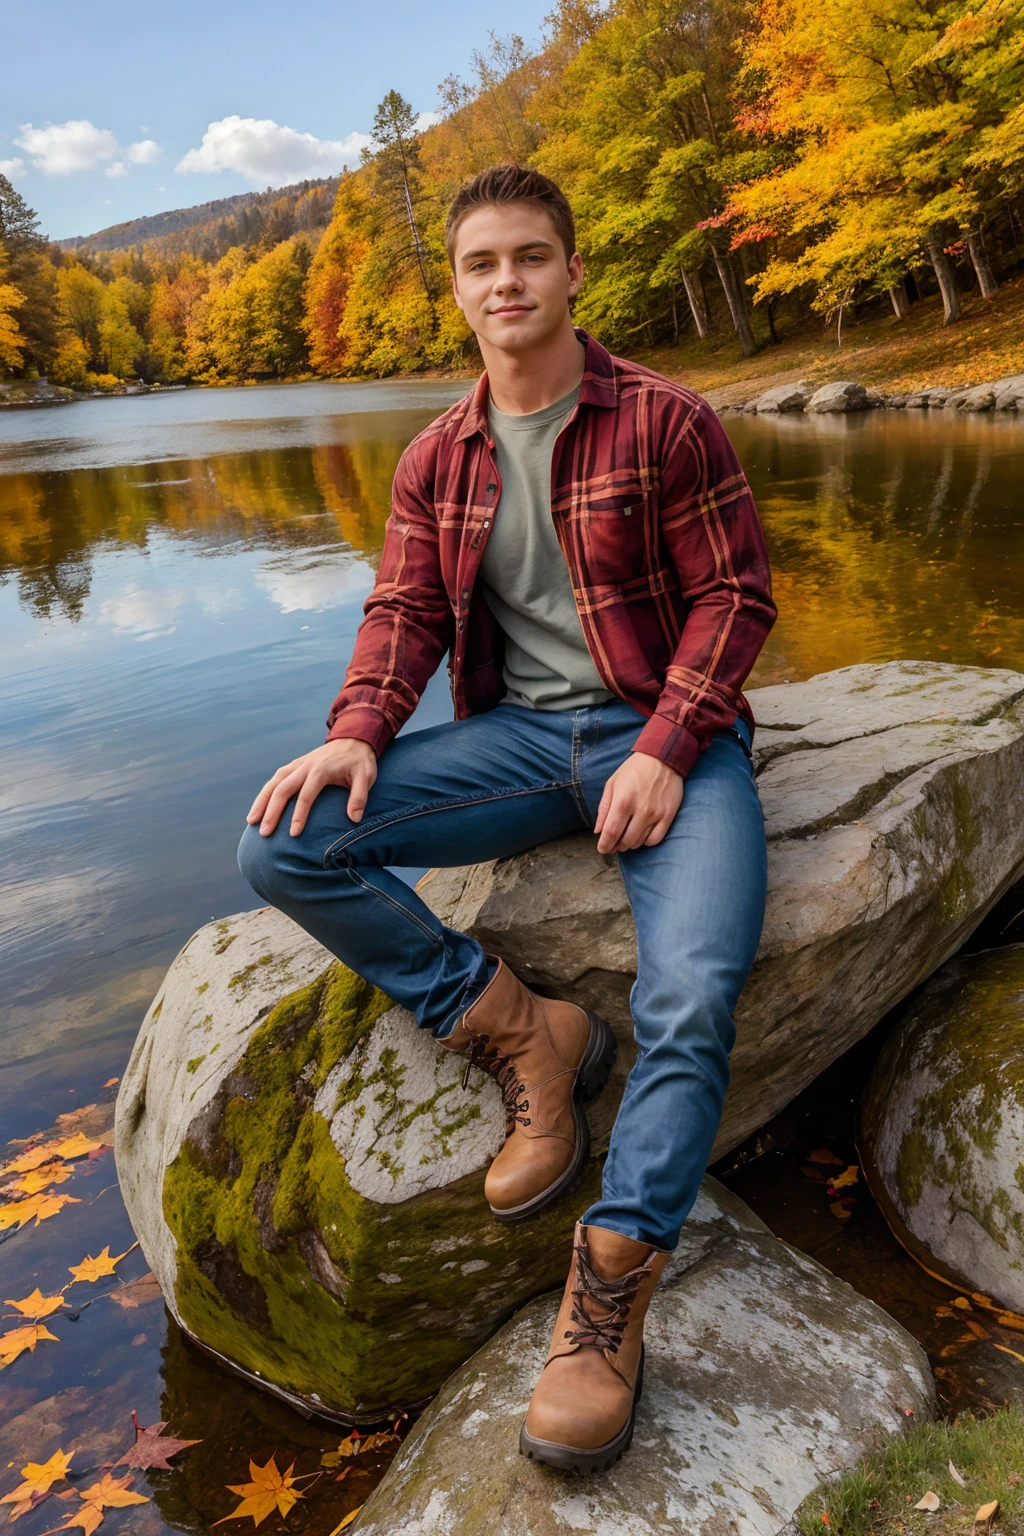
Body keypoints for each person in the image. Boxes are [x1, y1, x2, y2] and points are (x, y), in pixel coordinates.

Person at [237, 163, 775, 1475]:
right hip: (523, 748)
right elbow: (408, 616)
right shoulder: (437, 454)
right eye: (482, 265)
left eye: (530, 257)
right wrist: (361, 727)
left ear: (572, 270)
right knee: (283, 843)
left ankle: (609, 1288)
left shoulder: (664, 420)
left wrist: (666, 745)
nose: (507, 283)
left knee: (693, 993)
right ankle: (517, 1027)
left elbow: (736, 599)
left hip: (667, 744)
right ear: (461, 288)